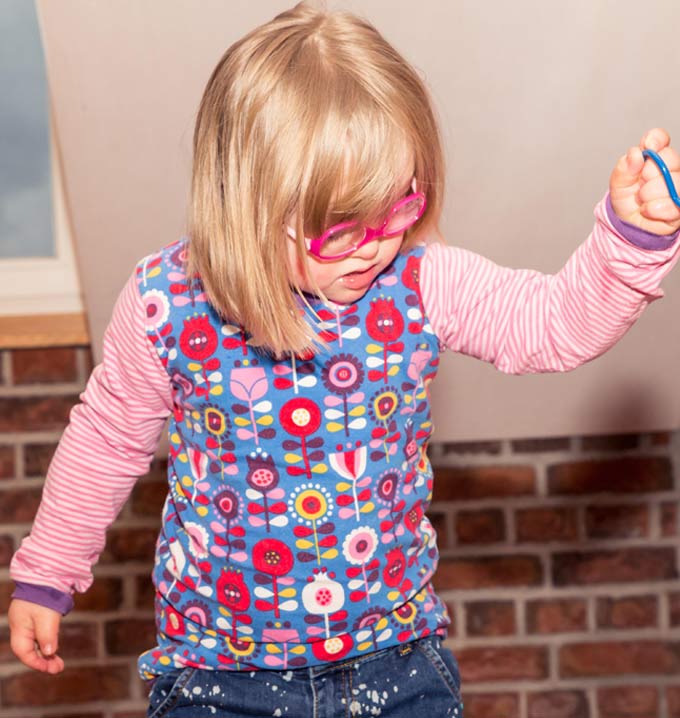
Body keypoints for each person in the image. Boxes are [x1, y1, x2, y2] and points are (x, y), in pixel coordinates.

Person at [8, 3, 680, 716]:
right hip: (221, 674)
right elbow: (105, 442)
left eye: (397, 207)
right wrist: (47, 573)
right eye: (341, 228)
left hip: (397, 662)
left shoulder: (420, 282)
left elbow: (553, 325)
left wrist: (627, 242)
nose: (375, 245)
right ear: (246, 205)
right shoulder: (167, 304)